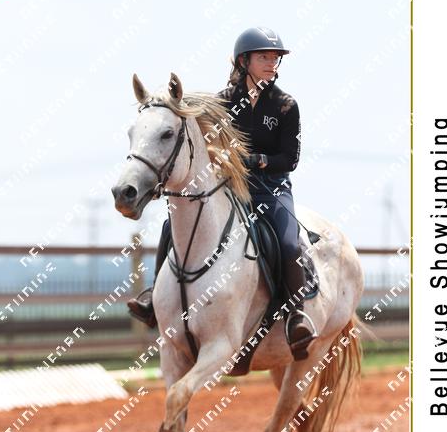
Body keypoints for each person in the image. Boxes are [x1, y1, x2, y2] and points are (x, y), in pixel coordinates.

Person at [127, 26, 317, 356]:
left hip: (271, 190)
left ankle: (297, 316)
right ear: (244, 61)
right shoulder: (222, 102)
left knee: (289, 243)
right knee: (172, 224)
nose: (272, 63)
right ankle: (153, 297)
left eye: (275, 58)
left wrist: (256, 160)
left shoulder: (286, 105)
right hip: (227, 188)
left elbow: (290, 159)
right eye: (264, 57)